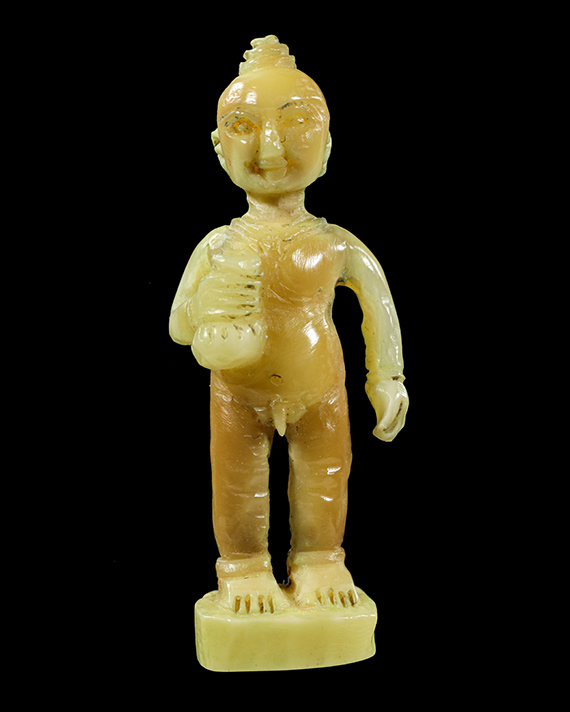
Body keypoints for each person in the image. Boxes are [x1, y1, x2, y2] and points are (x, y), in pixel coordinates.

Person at [170, 36, 408, 614]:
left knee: (326, 475)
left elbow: (378, 306)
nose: (270, 149)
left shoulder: (335, 243)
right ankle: (243, 566)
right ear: (218, 148)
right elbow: (178, 325)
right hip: (236, 390)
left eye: (297, 122)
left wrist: (387, 378)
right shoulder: (219, 245)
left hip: (321, 389)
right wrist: (205, 311)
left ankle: (321, 559)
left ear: (327, 144)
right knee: (235, 482)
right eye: (243, 127)